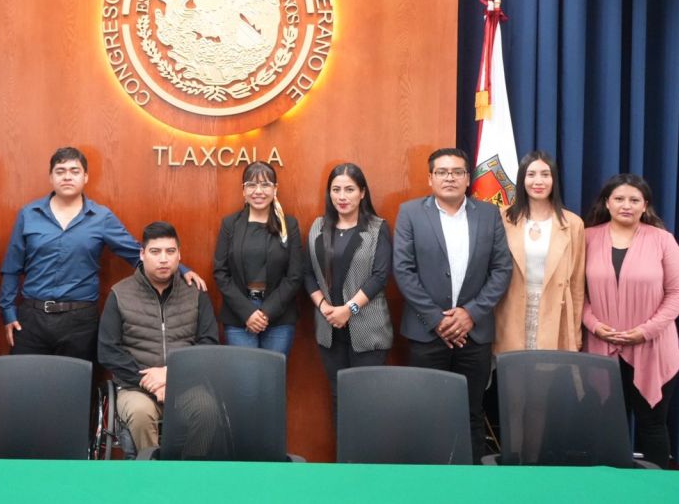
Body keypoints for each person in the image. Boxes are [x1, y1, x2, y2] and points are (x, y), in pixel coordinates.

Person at [0, 146, 204, 362]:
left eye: (74, 171)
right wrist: (8, 312)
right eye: (60, 171)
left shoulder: (101, 217)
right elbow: (12, 267)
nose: (67, 176)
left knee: (76, 383)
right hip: (31, 319)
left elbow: (135, 253)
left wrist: (180, 269)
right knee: (27, 381)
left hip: (80, 321)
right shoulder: (29, 214)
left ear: (85, 177)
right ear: (51, 177)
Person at [393, 147, 512, 464]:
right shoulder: (410, 213)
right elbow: (403, 270)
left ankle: (470, 480)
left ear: (468, 178)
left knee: (471, 412)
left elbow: (502, 269)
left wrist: (471, 314)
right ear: (430, 178)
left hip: (474, 334)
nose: (450, 178)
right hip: (426, 333)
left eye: (457, 172)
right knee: (425, 411)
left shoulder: (488, 214)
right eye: (442, 172)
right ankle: (427, 481)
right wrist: (437, 319)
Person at [581, 173, 679, 469]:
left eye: (634, 200)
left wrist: (646, 331)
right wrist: (594, 325)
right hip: (601, 349)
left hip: (653, 348)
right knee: (603, 426)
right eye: (619, 199)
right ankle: (606, 488)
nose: (626, 205)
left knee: (652, 425)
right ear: (607, 203)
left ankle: (657, 490)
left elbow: (678, 294)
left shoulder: (663, 240)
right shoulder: (587, 237)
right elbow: (575, 293)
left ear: (645, 205)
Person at [97, 221, 219, 453]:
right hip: (134, 387)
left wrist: (170, 374)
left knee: (207, 410)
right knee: (140, 413)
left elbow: (209, 345)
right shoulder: (119, 294)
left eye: (170, 251)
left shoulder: (196, 293)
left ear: (179, 255)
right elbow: (108, 351)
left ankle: (188, 470)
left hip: (186, 384)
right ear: (142, 254)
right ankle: (151, 470)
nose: (163, 259)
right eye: (155, 251)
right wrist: (150, 382)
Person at [304, 162, 392, 417]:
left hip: (368, 330)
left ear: (362, 193)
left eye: (349, 189)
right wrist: (325, 307)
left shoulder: (377, 228)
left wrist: (348, 309)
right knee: (339, 398)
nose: (342, 197)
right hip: (329, 329)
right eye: (336, 190)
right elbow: (308, 273)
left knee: (366, 402)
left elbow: (379, 277)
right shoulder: (318, 227)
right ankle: (342, 447)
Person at [493, 151, 585, 352]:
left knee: (547, 368)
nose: (538, 181)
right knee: (513, 368)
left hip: (555, 311)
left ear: (554, 180)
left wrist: (576, 332)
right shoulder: (502, 218)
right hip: (510, 310)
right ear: (522, 179)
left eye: (545, 174)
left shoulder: (572, 223)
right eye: (531, 174)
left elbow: (577, 284)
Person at [213, 161, 302, 355]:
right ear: (243, 191)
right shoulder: (230, 224)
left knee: (272, 372)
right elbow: (221, 272)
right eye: (251, 185)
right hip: (239, 314)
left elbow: (294, 275)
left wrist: (266, 312)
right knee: (245, 372)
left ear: (275, 189)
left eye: (265, 185)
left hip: (279, 314)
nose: (258, 191)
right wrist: (248, 312)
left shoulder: (289, 225)